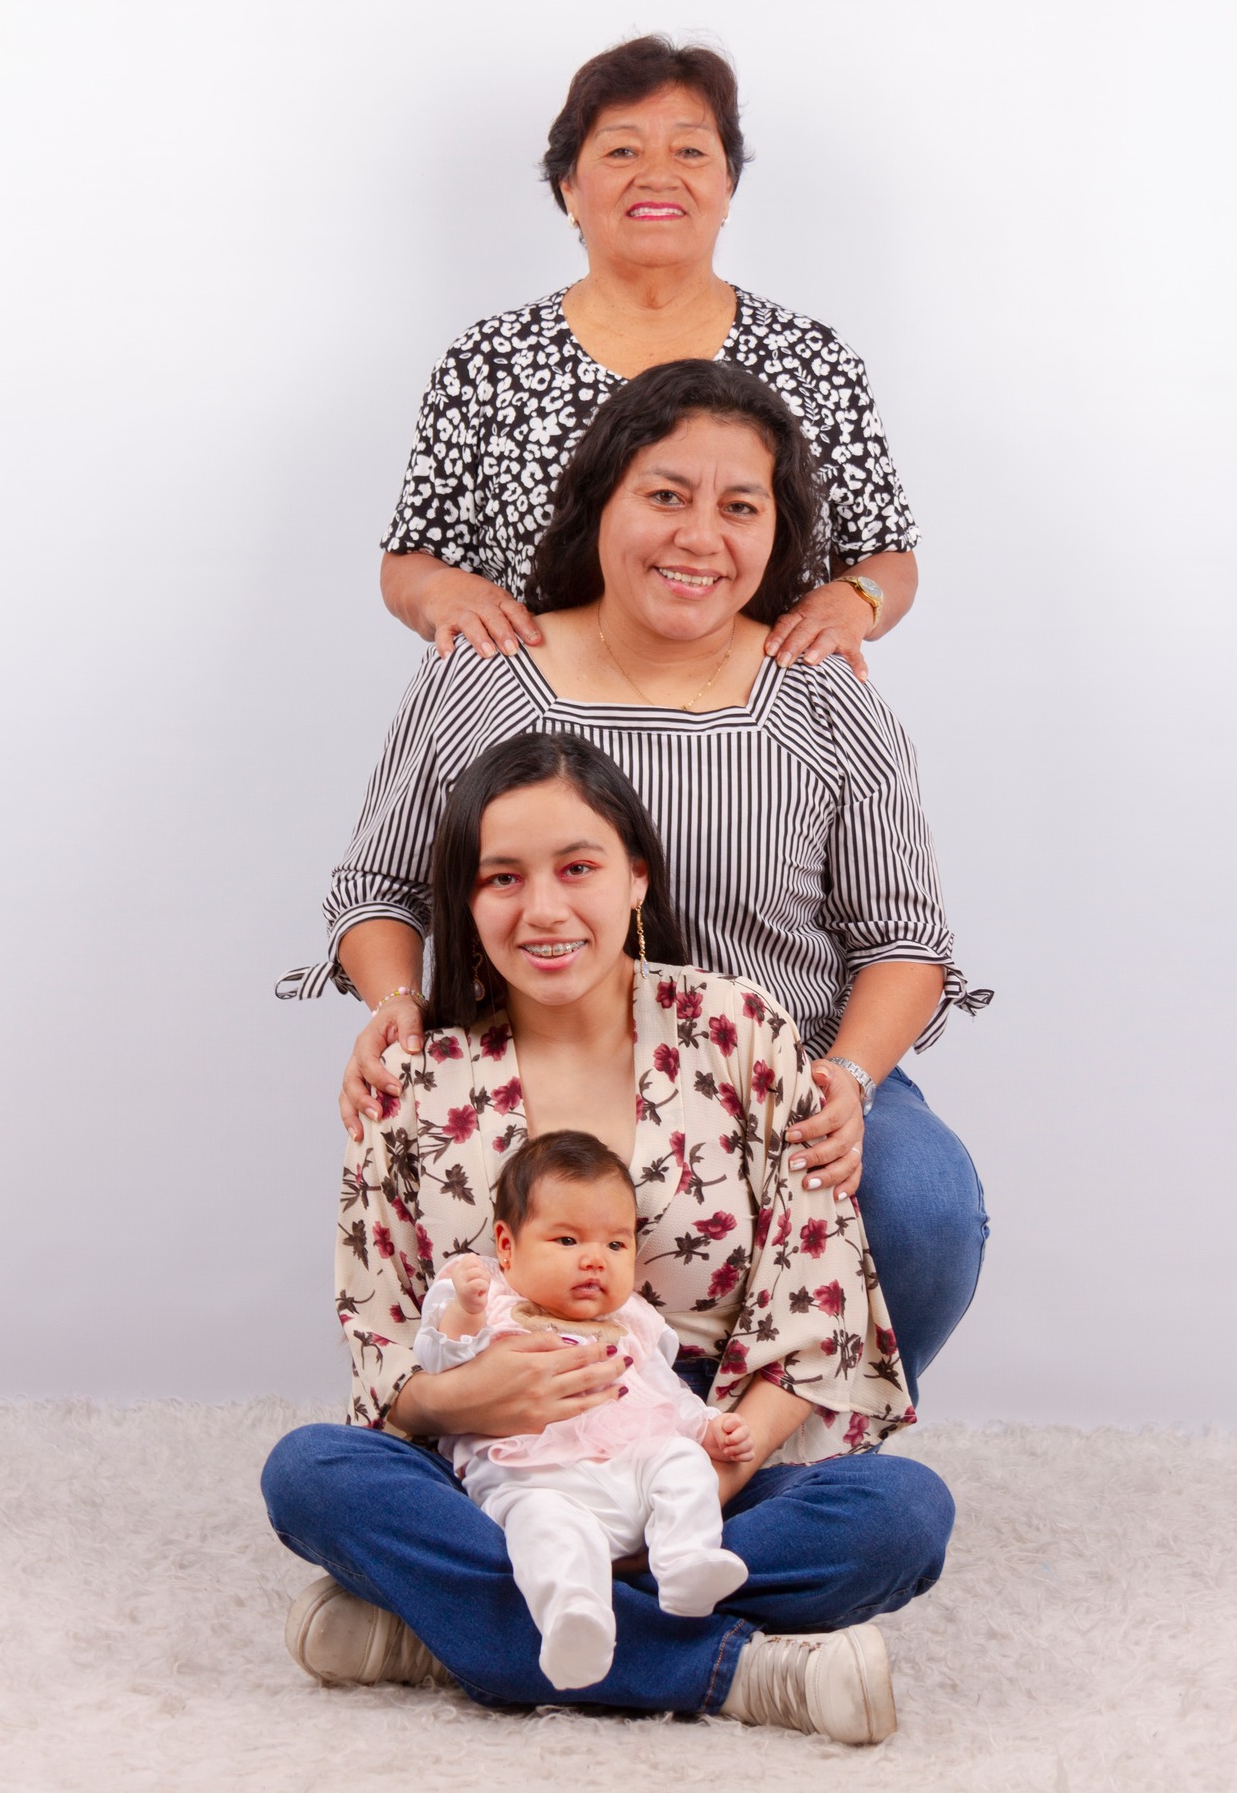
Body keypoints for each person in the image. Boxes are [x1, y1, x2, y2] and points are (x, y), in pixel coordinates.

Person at [278, 357, 990, 1404]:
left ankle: (772, 1445)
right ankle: (517, 1450)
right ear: (599, 498)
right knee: (344, 1453)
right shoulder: (480, 668)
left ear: (775, 533)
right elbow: (378, 886)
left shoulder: (825, 695)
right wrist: (396, 1009)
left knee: (922, 1201)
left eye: (739, 506)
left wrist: (850, 1079)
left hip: (784, 1072)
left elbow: (904, 941)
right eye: (666, 494)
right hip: (529, 1058)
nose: (701, 536)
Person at [263, 732, 939, 1741]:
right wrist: (466, 1396)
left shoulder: (741, 1030)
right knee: (311, 1474)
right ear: (465, 898)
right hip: (500, 1464)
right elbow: (381, 1346)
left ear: (636, 876)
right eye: (502, 877)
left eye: (577, 867)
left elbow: (814, 1300)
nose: (542, 910)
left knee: (901, 1512)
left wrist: (674, 1496)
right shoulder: (412, 1080)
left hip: (699, 1445)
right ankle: (739, 1670)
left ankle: (457, 1623)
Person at [379, 33, 918, 684]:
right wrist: (441, 594)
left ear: (727, 185)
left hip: (757, 719)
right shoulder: (486, 361)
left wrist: (854, 600)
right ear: (568, 188)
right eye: (621, 150)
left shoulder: (815, 361)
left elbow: (886, 555)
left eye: (690, 150)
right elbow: (413, 558)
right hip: (532, 725)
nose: (657, 173)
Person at [418, 1131, 756, 1690]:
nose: (595, 1261)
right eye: (569, 1240)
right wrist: (464, 1311)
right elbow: (437, 1361)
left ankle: (685, 1562)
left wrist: (709, 1429)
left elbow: (664, 1391)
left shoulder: (631, 1321)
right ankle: (577, 1619)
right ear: (506, 1245)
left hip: (629, 1474)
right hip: (537, 1480)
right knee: (544, 1532)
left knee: (680, 1461)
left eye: (616, 1246)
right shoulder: (488, 1296)